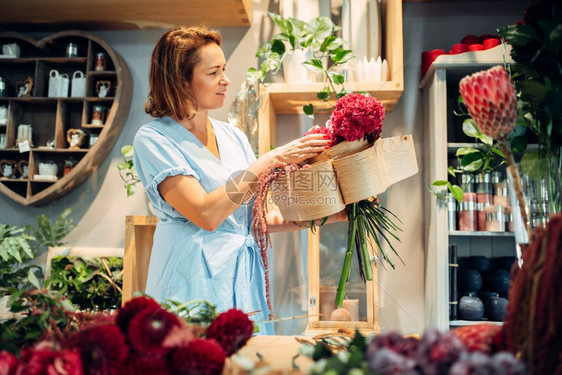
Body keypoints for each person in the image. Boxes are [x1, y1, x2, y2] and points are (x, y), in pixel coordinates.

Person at [133, 26, 344, 334]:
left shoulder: (233, 137)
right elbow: (205, 213)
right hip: (191, 279)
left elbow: (257, 220)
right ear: (181, 81)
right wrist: (269, 160)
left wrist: (332, 214)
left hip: (243, 278)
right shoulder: (154, 139)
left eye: (225, 70)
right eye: (213, 72)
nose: (225, 80)